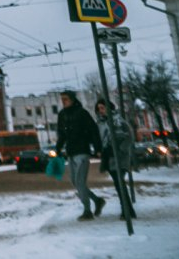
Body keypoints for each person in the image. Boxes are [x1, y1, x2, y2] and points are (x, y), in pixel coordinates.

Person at [54, 90, 104, 220]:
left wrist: (97, 148)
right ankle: (97, 200)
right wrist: (58, 148)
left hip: (82, 151)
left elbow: (93, 130)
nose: (63, 101)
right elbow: (62, 134)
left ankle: (87, 211)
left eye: (65, 99)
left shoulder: (82, 113)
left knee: (80, 182)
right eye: (62, 99)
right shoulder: (62, 115)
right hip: (71, 152)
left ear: (72, 99)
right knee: (75, 182)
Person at [96, 99, 135, 218]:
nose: (100, 111)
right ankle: (127, 210)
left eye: (102, 108)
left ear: (109, 108)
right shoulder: (102, 123)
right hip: (109, 157)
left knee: (120, 184)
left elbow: (129, 136)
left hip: (119, 157)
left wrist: (121, 149)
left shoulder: (118, 121)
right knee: (119, 185)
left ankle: (127, 211)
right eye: (98, 109)